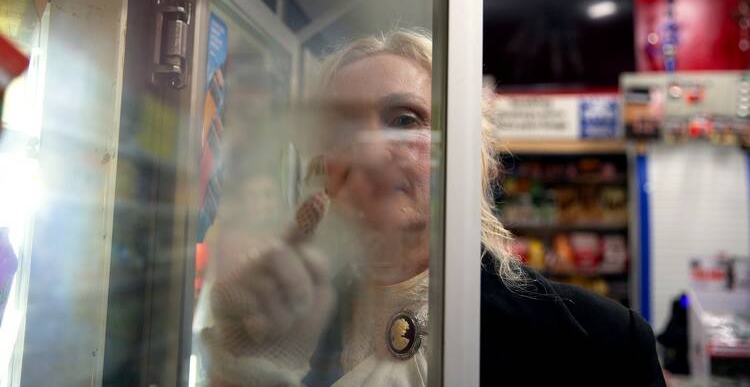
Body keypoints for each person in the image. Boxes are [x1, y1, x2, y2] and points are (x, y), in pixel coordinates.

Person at [200, 29, 666, 387]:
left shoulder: (603, 345)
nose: (370, 151)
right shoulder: (288, 320)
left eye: (405, 120)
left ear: (471, 155)